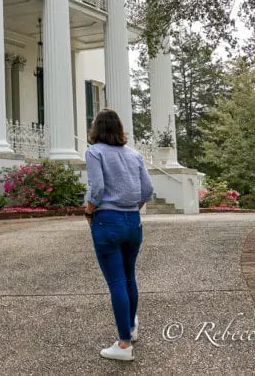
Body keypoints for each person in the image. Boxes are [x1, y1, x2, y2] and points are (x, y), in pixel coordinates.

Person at [84, 108, 154, 361]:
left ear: (96, 129)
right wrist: (133, 208)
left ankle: (124, 345)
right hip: (133, 220)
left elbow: (98, 187)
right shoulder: (134, 155)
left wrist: (89, 210)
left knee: (116, 282)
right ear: (119, 128)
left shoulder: (94, 151)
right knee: (128, 277)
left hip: (107, 220)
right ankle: (131, 330)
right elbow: (148, 190)